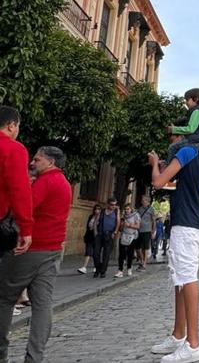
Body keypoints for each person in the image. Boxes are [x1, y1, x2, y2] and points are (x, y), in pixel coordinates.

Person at [0, 146, 72, 363]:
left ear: (50, 162)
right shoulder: (65, 184)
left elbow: (25, 206)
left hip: (30, 248)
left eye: (37, 160)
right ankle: (35, 357)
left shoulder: (45, 182)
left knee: (4, 299)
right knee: (42, 304)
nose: (32, 163)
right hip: (53, 250)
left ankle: (1, 352)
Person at [149, 132, 199, 362]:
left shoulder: (185, 151)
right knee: (179, 280)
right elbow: (172, 185)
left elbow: (158, 182)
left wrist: (155, 165)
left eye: (172, 136)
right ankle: (178, 334)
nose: (170, 141)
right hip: (187, 220)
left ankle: (193, 344)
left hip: (185, 223)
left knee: (187, 278)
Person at [0, 106, 33, 259]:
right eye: (18, 126)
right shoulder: (14, 149)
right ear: (11, 125)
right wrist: (26, 229)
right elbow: (19, 191)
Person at [167, 88, 199, 162]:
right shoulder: (195, 111)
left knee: (173, 147)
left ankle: (168, 168)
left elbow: (190, 129)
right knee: (181, 145)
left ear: (195, 99)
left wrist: (173, 129)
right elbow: (184, 120)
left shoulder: (197, 111)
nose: (186, 102)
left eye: (187, 100)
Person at [93, 197, 120, 278]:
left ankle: (103, 271)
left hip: (109, 235)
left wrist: (115, 232)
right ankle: (98, 268)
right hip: (100, 234)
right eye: (112, 205)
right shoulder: (102, 211)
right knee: (96, 253)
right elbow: (95, 221)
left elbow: (118, 222)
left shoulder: (116, 211)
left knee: (106, 254)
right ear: (108, 204)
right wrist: (95, 232)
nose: (113, 206)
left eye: (115, 205)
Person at [115, 204, 140, 278]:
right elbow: (121, 228)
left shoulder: (136, 215)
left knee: (130, 253)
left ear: (131, 209)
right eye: (125, 209)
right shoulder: (123, 217)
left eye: (128, 209)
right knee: (121, 254)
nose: (126, 211)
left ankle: (129, 268)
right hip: (123, 235)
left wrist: (129, 225)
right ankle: (120, 270)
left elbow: (138, 226)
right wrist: (122, 225)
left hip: (132, 236)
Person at [78, 204, 102, 274]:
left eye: (99, 209)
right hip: (89, 236)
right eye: (96, 209)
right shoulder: (91, 216)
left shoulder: (102, 218)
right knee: (88, 251)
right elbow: (87, 226)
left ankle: (96, 266)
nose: (97, 210)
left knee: (96, 253)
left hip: (97, 237)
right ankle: (84, 267)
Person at [135, 195, 155, 270]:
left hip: (147, 230)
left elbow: (153, 221)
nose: (141, 201)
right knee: (137, 248)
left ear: (147, 201)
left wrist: (153, 231)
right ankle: (142, 260)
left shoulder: (151, 209)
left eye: (143, 200)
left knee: (145, 248)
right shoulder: (139, 209)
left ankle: (144, 264)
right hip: (139, 230)